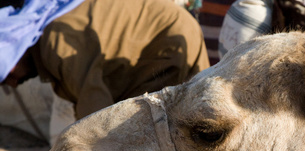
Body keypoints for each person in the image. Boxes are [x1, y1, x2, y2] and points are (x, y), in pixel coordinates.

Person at [0, 0, 210, 120]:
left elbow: (97, 113)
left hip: (164, 42)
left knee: (157, 129)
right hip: (164, 38)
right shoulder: (50, 37)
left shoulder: (55, 42)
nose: (13, 82)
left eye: (7, 76)